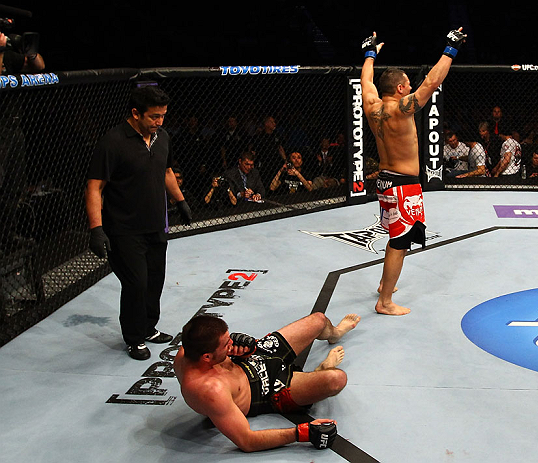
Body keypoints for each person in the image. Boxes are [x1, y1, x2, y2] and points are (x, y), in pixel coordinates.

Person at [360, 28, 466, 316]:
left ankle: (385, 284)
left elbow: (365, 80)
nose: (410, 86)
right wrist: (451, 48)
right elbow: (432, 81)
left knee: (396, 235)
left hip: (384, 181)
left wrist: (369, 52)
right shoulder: (403, 109)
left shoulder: (371, 106)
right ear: (400, 89)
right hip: (404, 186)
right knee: (400, 242)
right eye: (407, 84)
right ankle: (384, 302)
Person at [85, 85, 192, 361]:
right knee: (136, 283)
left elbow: (167, 170)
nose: (159, 122)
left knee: (155, 280)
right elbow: (94, 187)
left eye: (163, 116)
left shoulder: (162, 137)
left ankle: (148, 328)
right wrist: (96, 230)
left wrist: (180, 200)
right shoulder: (113, 141)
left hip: (155, 224)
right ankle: (133, 338)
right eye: (154, 116)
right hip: (123, 229)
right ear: (135, 113)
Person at [173, 312, 361, 452]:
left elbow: (219, 348)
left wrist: (241, 350)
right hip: (268, 389)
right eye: (226, 344)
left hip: (255, 357)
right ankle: (322, 370)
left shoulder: (190, 349)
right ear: (207, 357)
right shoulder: (209, 390)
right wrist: (300, 433)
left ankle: (335, 333)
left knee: (319, 320)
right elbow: (247, 441)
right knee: (336, 379)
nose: (231, 343)